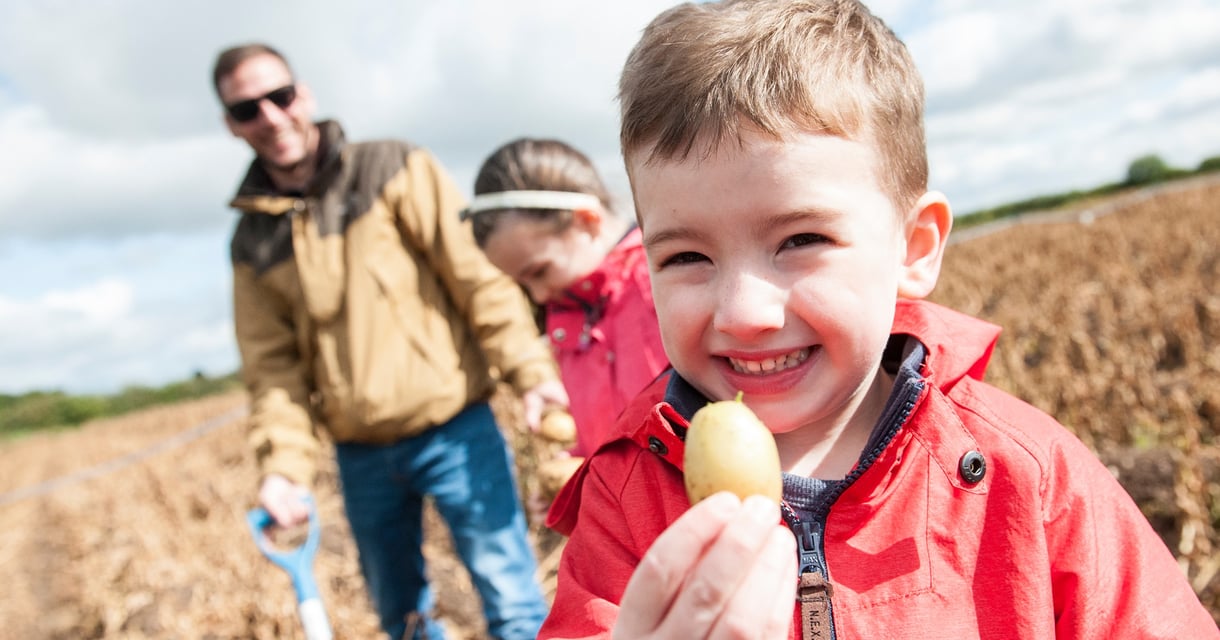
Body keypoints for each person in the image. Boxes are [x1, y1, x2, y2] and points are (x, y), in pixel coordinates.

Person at [539, 1, 1220, 639]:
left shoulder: (1028, 476)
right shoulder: (623, 504)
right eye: (687, 255)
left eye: (800, 241)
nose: (745, 313)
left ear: (915, 248)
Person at [212, 43, 567, 640]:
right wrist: (284, 469)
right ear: (232, 125)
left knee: (512, 603)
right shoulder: (251, 242)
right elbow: (273, 372)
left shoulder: (392, 168)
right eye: (249, 110)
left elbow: (476, 279)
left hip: (458, 430)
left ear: (304, 96)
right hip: (361, 455)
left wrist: (532, 372)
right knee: (402, 619)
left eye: (279, 96)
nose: (270, 118)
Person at [463, 137, 669, 462]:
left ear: (587, 221)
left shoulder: (664, 282)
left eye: (540, 271)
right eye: (521, 284)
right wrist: (577, 484)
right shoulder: (569, 317)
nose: (539, 295)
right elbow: (605, 438)